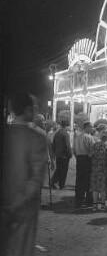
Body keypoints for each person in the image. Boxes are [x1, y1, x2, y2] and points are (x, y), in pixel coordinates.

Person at [2, 93, 48, 256]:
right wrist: (17, 204)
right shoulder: (37, 137)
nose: (35, 112)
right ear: (27, 109)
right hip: (23, 208)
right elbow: (36, 179)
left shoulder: (5, 133)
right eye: (34, 109)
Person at [90, 124, 107, 211]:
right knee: (103, 188)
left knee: (95, 188)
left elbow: (91, 155)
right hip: (106, 170)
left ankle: (94, 205)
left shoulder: (95, 145)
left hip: (95, 169)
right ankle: (103, 204)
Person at [73, 121, 95, 208]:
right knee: (88, 180)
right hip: (87, 159)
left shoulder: (77, 136)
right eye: (91, 127)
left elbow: (74, 150)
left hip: (79, 158)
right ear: (87, 127)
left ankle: (78, 200)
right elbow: (92, 149)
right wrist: (90, 157)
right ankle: (89, 200)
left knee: (79, 180)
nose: (92, 129)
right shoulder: (88, 137)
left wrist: (78, 157)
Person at [50, 119, 72, 189]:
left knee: (59, 169)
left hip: (58, 154)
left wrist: (54, 152)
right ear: (66, 126)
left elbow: (53, 144)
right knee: (64, 170)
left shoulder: (57, 133)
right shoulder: (65, 134)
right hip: (64, 154)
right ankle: (61, 184)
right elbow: (67, 145)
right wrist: (69, 154)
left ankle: (53, 181)